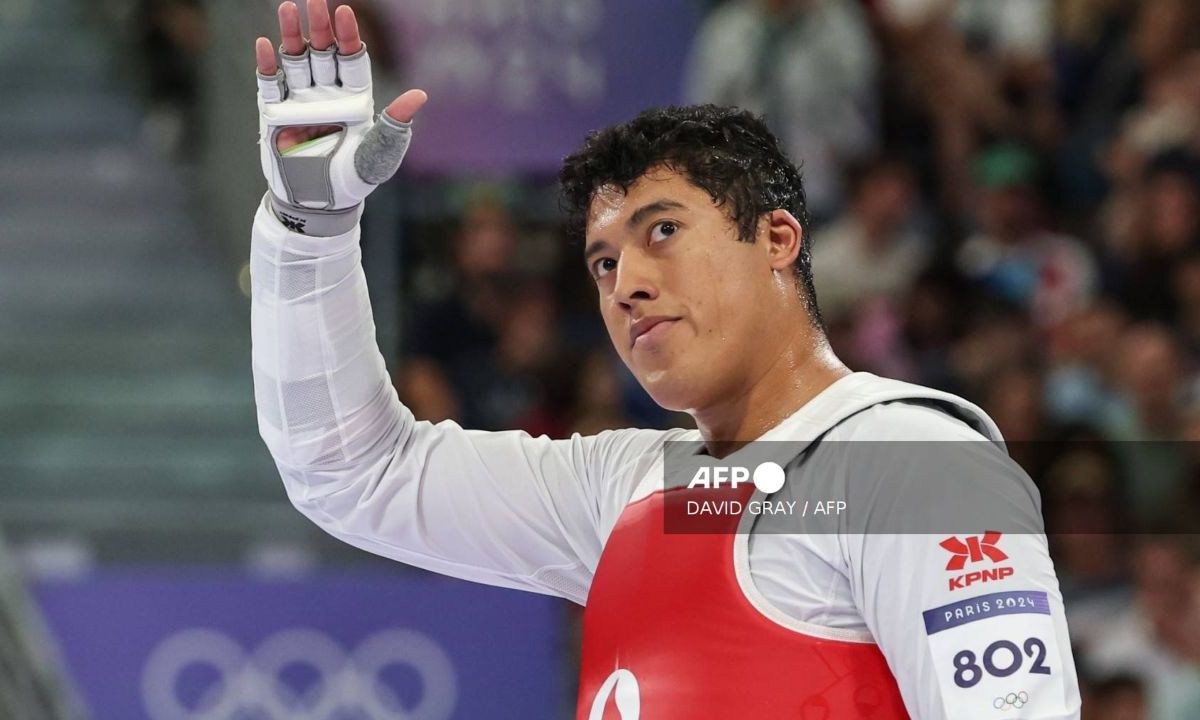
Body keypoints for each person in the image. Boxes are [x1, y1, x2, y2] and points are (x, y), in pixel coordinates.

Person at [249, 2, 1081, 717]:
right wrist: (308, 234)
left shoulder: (907, 461)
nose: (627, 285)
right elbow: (351, 472)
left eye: (663, 233)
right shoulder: (624, 491)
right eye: (604, 263)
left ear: (777, 239)